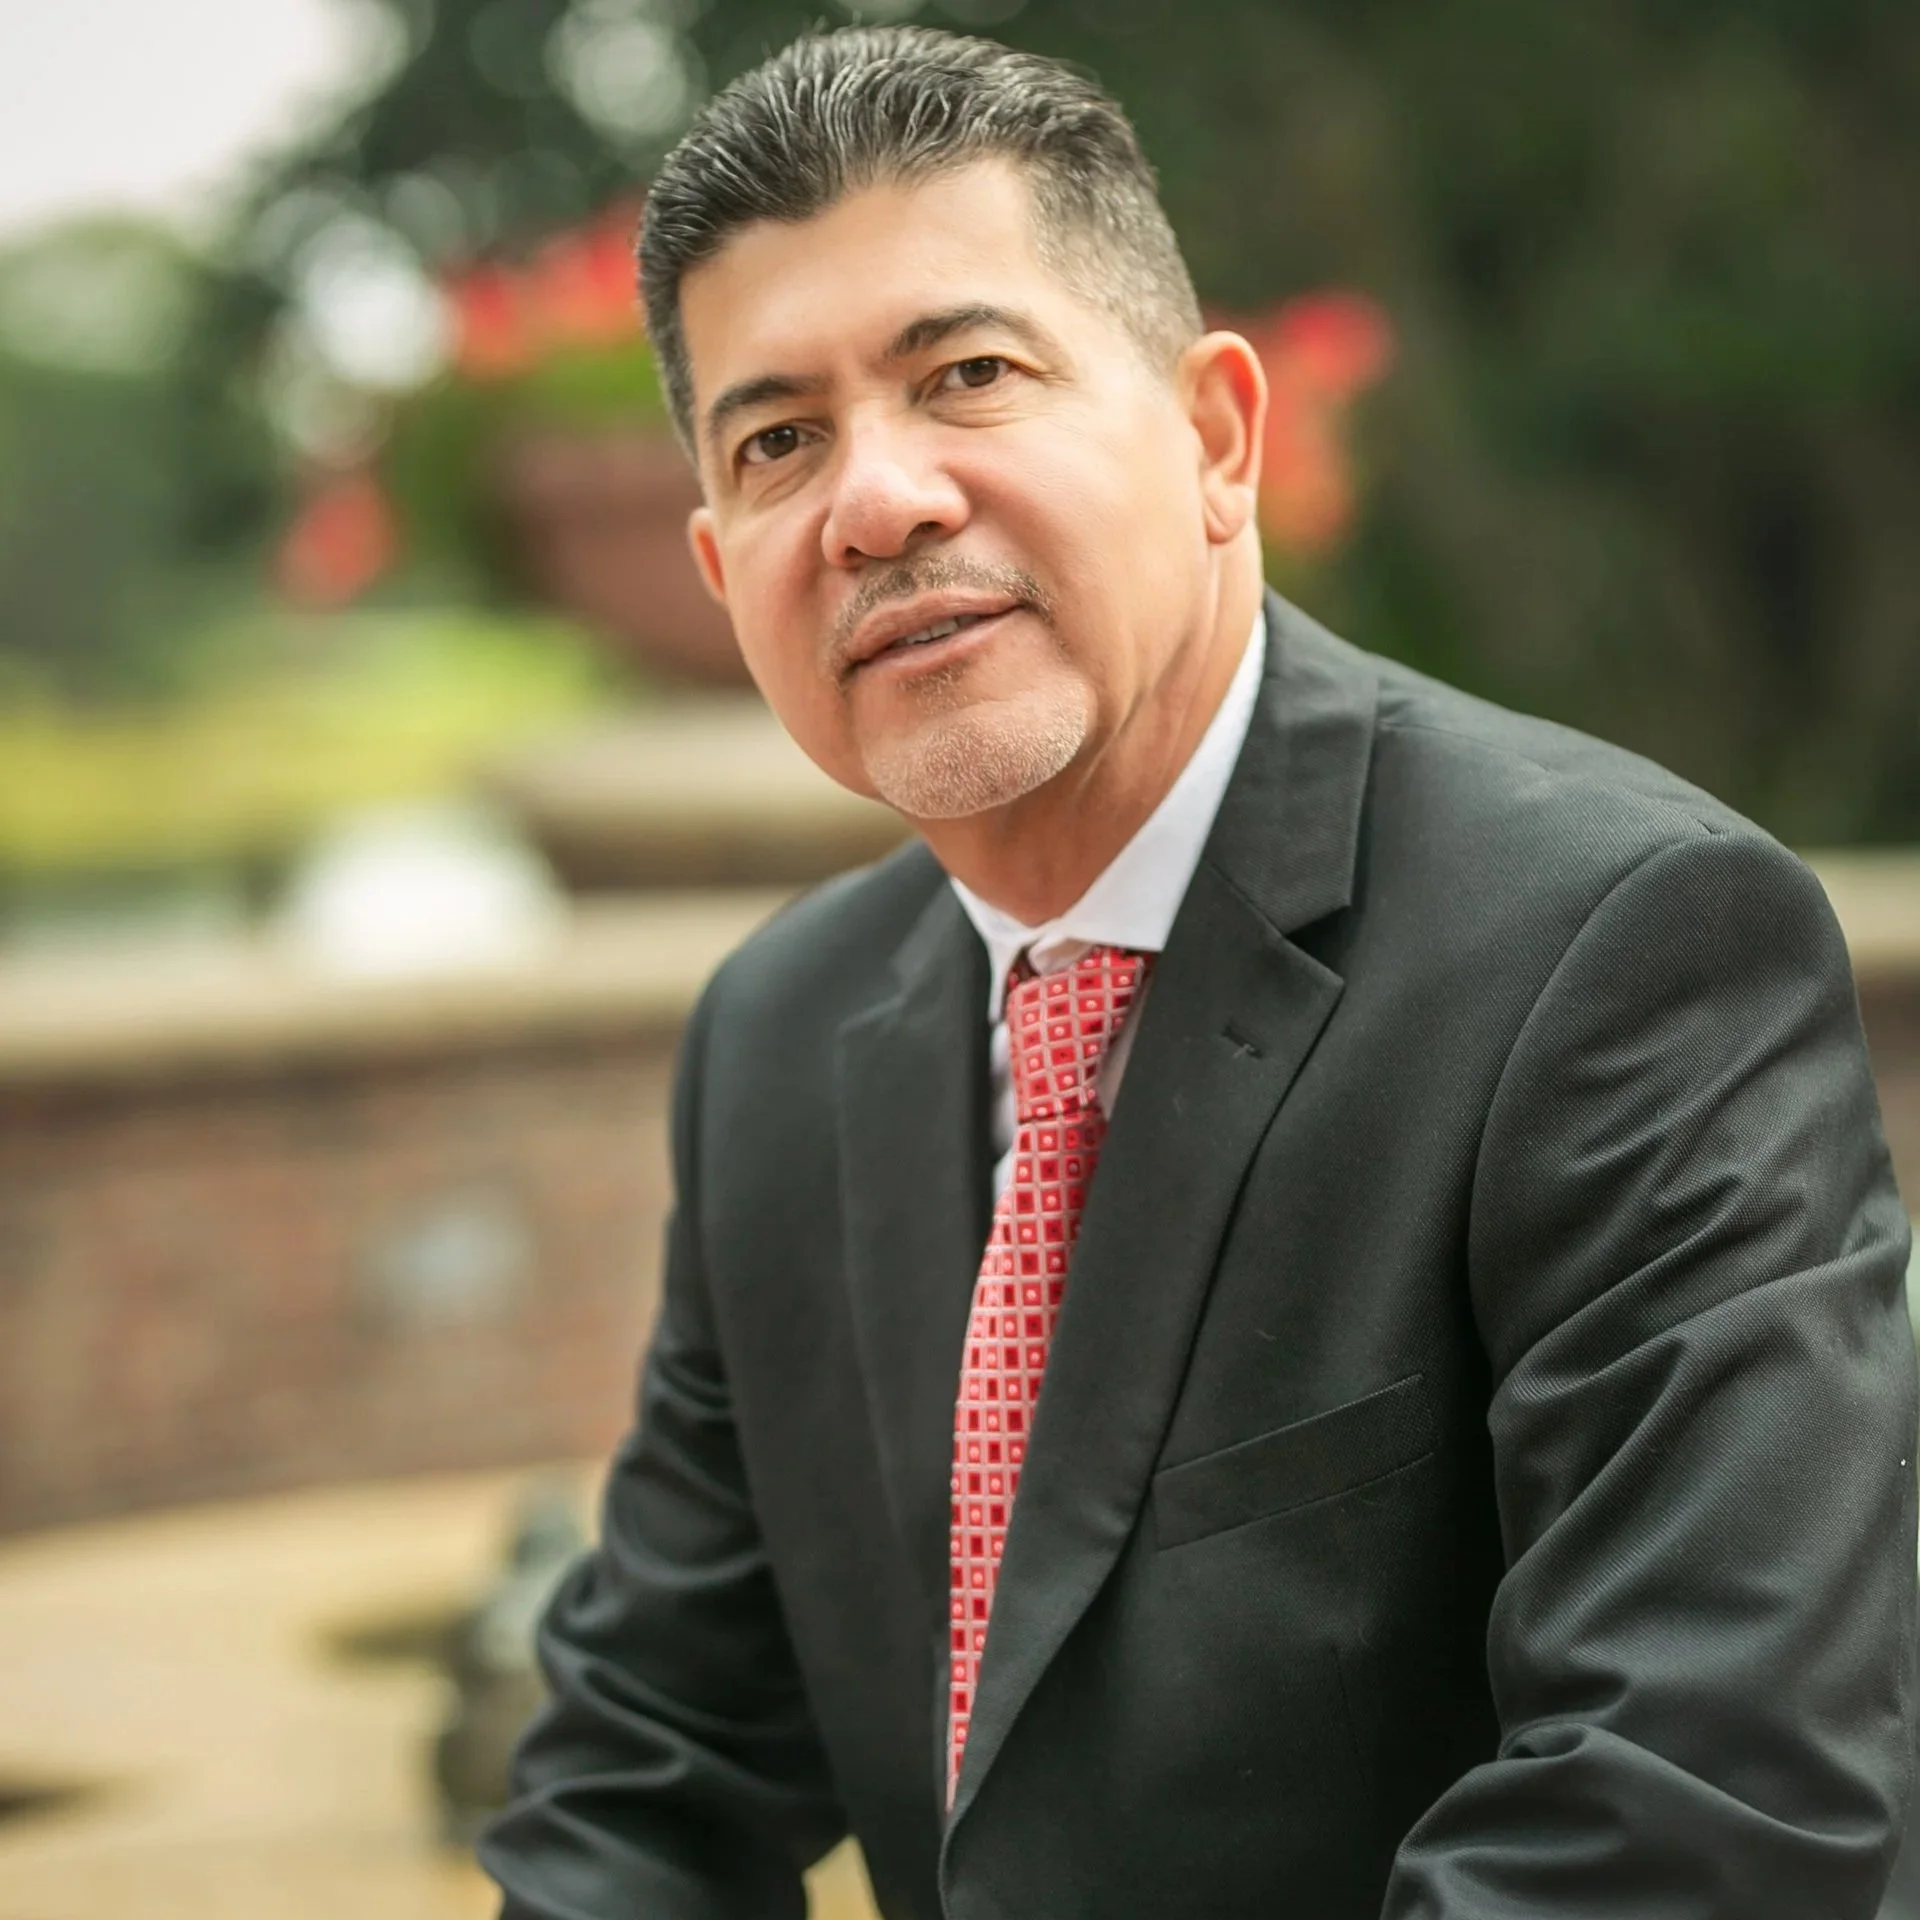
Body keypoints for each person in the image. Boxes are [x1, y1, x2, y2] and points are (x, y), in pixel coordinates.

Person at [480, 26, 1917, 1919]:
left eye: (968, 375)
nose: (876, 501)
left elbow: (1704, 1803)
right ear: (716, 563)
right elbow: (645, 1773)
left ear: (1218, 437)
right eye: (778, 442)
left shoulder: (1623, 947)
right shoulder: (779, 1034)